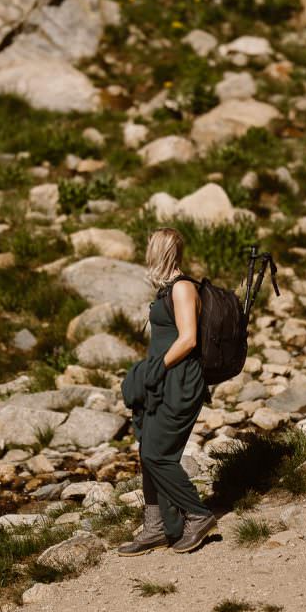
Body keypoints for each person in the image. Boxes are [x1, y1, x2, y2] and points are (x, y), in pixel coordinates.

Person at [119, 228, 217, 556]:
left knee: (156, 454)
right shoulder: (165, 290)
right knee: (148, 449)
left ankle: (198, 514)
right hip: (162, 380)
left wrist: (157, 368)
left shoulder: (183, 288)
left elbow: (188, 338)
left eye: (151, 248)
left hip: (180, 380)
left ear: (161, 251)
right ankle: (157, 527)